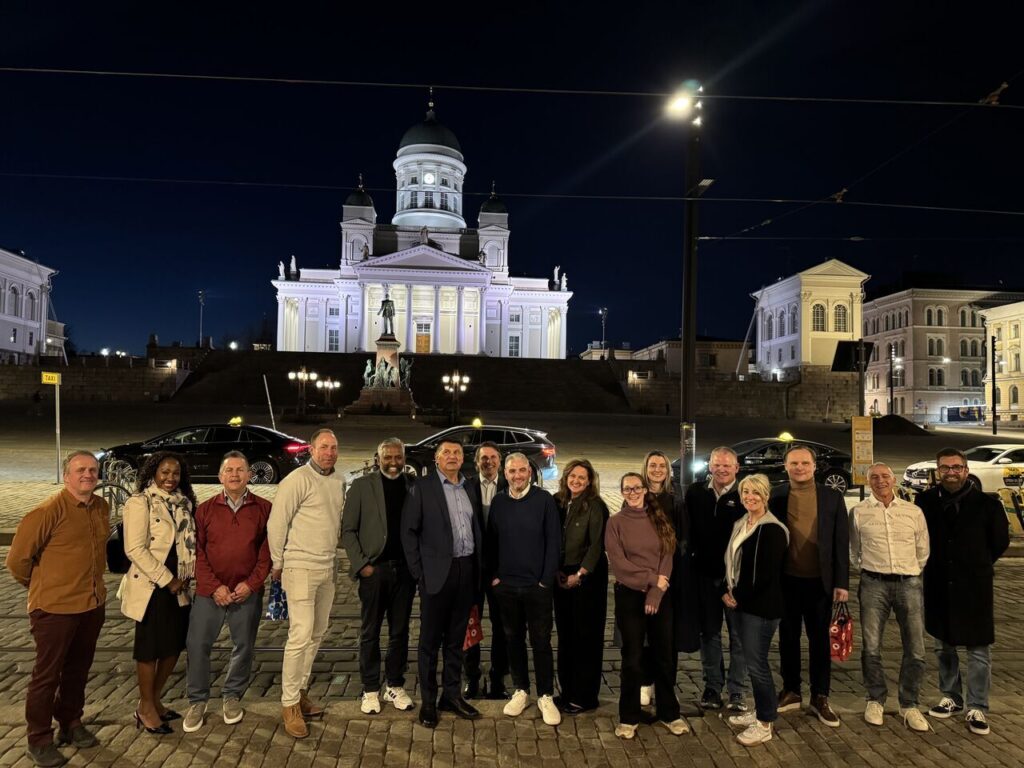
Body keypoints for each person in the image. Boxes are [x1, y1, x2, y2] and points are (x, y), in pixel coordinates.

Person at [6, 451, 109, 768]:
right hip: (54, 609)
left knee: (78, 670)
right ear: (66, 476)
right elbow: (17, 561)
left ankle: (70, 722)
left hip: (91, 605)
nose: (88, 475)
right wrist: (45, 586)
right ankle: (38, 739)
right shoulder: (47, 511)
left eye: (92, 469)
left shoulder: (101, 507)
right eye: (80, 470)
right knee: (46, 676)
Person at [919, 448, 1009, 736]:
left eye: (956, 467)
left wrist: (976, 563)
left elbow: (1000, 542)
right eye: (945, 468)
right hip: (938, 584)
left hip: (974, 585)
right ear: (938, 471)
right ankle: (951, 697)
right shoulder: (925, 501)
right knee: (943, 646)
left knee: (978, 650)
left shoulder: (988, 504)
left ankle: (977, 705)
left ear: (966, 470)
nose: (951, 472)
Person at [182, 452, 271, 733]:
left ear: (249, 475)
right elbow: (196, 553)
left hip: (246, 592)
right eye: (229, 470)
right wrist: (214, 587)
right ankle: (197, 701)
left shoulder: (264, 508)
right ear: (220, 476)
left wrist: (251, 584)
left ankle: (232, 696)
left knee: (243, 646)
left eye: (240, 470)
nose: (234, 475)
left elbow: (267, 553)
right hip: (211, 592)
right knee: (198, 645)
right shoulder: (205, 510)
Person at [268, 429, 345, 739]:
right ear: (311, 449)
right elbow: (277, 522)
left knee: (316, 633)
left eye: (334, 447)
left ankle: (300, 691)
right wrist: (277, 562)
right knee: (300, 635)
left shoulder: (338, 481)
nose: (329, 452)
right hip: (300, 566)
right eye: (324, 447)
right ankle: (289, 704)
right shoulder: (296, 480)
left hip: (327, 566)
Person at [401, 440, 483, 729]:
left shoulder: (469, 487)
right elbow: (408, 532)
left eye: (456, 452)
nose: (452, 456)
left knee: (456, 640)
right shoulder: (422, 488)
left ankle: (451, 695)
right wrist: (419, 573)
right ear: (436, 458)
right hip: (435, 574)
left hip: (466, 570)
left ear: (462, 458)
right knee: (429, 642)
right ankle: (428, 701)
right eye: (446, 452)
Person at [768, 443, 849, 727]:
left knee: (819, 641)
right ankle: (791, 690)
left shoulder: (831, 497)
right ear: (785, 466)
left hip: (820, 582)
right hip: (786, 580)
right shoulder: (776, 496)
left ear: (815, 466)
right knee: (788, 639)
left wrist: (842, 582)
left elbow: (841, 541)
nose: (799, 468)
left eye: (805, 463)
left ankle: (820, 695)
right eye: (794, 463)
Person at [605, 472, 689, 740]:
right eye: (627, 489)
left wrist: (656, 592)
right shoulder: (615, 523)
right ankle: (628, 716)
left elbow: (667, 555)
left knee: (663, 655)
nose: (632, 492)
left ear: (644, 490)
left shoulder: (659, 518)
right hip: (629, 595)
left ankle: (669, 713)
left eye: (636, 488)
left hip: (659, 596)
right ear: (622, 492)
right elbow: (619, 564)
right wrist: (651, 580)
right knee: (632, 658)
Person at [119, 451, 197, 736]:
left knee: (173, 646)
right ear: (153, 472)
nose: (170, 478)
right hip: (154, 586)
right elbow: (134, 549)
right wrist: (168, 580)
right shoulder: (140, 502)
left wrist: (184, 578)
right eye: (164, 472)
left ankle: (153, 701)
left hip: (181, 586)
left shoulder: (184, 503)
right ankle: (146, 708)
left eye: (175, 473)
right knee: (149, 650)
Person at [849, 462, 930, 732]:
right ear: (868, 481)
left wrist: (912, 570)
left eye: (885, 476)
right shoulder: (859, 512)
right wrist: (870, 568)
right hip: (874, 583)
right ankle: (875, 699)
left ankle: (909, 703)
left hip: (909, 583)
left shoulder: (913, 511)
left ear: (894, 480)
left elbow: (923, 549)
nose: (880, 481)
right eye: (874, 477)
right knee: (871, 646)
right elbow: (854, 550)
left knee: (915, 647)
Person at [342, 437, 417, 715]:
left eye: (398, 457)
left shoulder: (413, 485)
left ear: (404, 458)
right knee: (370, 631)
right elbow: (348, 530)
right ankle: (370, 688)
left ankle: (395, 684)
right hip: (374, 570)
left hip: (405, 572)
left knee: (400, 632)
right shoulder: (362, 486)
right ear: (378, 459)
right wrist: (362, 565)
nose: (394, 462)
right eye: (388, 457)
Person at [487, 453, 562, 726]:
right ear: (505, 474)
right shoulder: (499, 502)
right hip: (507, 586)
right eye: (512, 471)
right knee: (512, 639)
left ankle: (546, 695)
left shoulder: (544, 500)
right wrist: (495, 577)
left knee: (541, 642)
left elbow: (554, 542)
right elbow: (491, 541)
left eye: (522, 470)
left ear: (529, 472)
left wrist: (545, 581)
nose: (517, 476)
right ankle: (521, 690)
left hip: (536, 587)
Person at [722, 474, 789, 747]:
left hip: (760, 608)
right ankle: (762, 710)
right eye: (746, 492)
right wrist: (727, 591)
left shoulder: (772, 529)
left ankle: (764, 723)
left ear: (766, 496)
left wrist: (736, 596)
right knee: (752, 662)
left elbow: (764, 575)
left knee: (758, 665)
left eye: (756, 493)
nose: (750, 497)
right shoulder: (742, 523)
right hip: (741, 603)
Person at [685, 446, 748, 713]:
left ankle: (737, 690)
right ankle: (712, 686)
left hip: (736, 580)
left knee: (738, 637)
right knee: (709, 634)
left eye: (727, 465)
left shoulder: (745, 494)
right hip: (705, 577)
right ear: (709, 466)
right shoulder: (696, 492)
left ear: (736, 468)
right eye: (717, 464)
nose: (721, 469)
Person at [639, 450, 696, 706]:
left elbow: (683, 540)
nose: (657, 470)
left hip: (669, 576)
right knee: (644, 630)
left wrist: (672, 573)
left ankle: (666, 683)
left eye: (662, 465)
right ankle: (645, 681)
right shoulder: (638, 496)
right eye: (653, 465)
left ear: (668, 470)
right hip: (643, 575)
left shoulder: (676, 500)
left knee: (667, 634)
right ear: (646, 468)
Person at [552, 458, 609, 714]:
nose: (576, 481)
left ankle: (584, 696)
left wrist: (580, 574)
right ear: (566, 477)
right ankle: (567, 691)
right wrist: (556, 570)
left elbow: (597, 545)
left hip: (587, 578)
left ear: (589, 482)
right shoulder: (558, 501)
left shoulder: (595, 506)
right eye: (573, 476)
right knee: (566, 635)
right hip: (562, 575)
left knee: (586, 637)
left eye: (582, 478)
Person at [463, 441, 510, 699]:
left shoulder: (510, 485)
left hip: (501, 571)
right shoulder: (465, 486)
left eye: (493, 457)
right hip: (473, 570)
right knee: (470, 625)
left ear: (500, 462)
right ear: (476, 461)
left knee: (502, 627)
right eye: (484, 458)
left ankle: (498, 679)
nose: (488, 462)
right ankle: (471, 677)